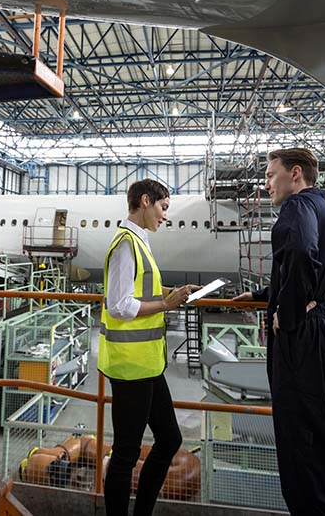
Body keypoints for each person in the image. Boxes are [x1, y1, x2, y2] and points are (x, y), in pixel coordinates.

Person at [232, 148, 325, 515]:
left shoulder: (298, 206)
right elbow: (321, 276)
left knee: (306, 470)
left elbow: (302, 253)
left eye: (272, 175)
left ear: (297, 174)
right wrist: (262, 296)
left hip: (309, 348)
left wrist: (285, 317)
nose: (266, 184)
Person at [99, 179, 199, 516]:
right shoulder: (127, 245)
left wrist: (173, 293)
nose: (165, 216)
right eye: (163, 207)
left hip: (148, 365)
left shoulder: (139, 243)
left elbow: (142, 290)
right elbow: (119, 305)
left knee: (170, 439)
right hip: (130, 367)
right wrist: (166, 306)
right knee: (126, 453)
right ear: (145, 201)